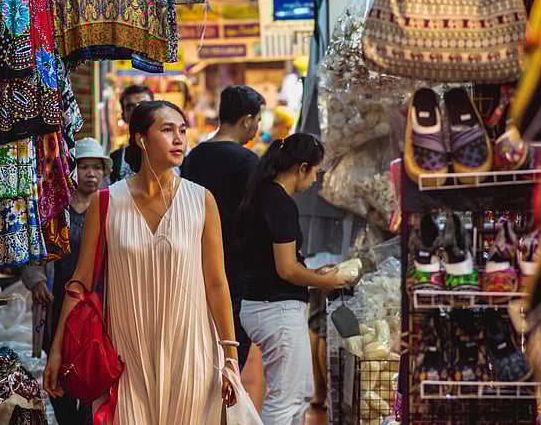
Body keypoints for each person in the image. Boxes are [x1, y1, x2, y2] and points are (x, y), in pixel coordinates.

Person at [44, 101, 240, 424]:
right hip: (125, 357)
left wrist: (230, 358)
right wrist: (57, 350)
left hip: (191, 352)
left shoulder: (202, 201)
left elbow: (218, 284)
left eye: (182, 131)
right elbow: (80, 283)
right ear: (140, 140)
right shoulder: (107, 202)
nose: (178, 139)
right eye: (167, 130)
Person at [236, 133, 356, 425]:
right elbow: (287, 269)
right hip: (274, 308)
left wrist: (316, 275)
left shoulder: (263, 195)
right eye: (315, 171)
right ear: (301, 167)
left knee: (298, 393)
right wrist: (327, 280)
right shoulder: (278, 202)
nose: (315, 180)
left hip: (265, 305)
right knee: (285, 400)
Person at [21, 137, 111, 424]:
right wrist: (36, 283)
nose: (91, 174)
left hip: (97, 305)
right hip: (58, 304)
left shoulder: (111, 210)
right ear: (72, 170)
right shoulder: (54, 211)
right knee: (59, 368)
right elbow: (35, 254)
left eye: (97, 167)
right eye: (84, 167)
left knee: (90, 367)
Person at [181, 84, 265, 370]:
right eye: (258, 120)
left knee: (202, 349)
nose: (257, 127)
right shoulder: (246, 160)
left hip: (195, 263)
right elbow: (257, 217)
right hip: (235, 270)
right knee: (231, 352)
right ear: (246, 121)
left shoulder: (193, 157)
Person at [108, 84, 154, 185]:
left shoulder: (174, 152)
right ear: (123, 115)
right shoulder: (114, 160)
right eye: (130, 107)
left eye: (144, 105)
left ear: (156, 111)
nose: (137, 110)